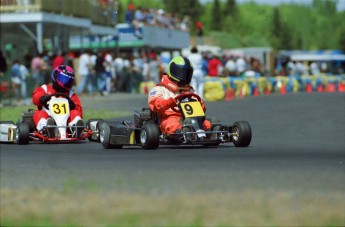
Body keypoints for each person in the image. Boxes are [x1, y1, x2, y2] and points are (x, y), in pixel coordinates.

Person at [148, 56, 211, 137]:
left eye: (187, 73)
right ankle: (180, 133)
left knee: (206, 123)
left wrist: (201, 104)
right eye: (181, 72)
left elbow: (202, 108)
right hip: (170, 116)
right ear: (173, 71)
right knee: (171, 124)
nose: (184, 75)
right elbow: (155, 104)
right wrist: (170, 102)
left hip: (191, 117)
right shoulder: (159, 89)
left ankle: (209, 132)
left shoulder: (190, 90)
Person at [32, 65, 84, 138]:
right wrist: (41, 98)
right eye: (63, 79)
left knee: (75, 113)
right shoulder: (45, 89)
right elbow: (35, 97)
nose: (66, 82)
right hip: (48, 117)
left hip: (66, 121)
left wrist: (73, 106)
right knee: (39, 113)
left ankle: (75, 127)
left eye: (69, 80)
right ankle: (45, 128)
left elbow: (79, 109)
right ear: (55, 76)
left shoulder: (71, 94)